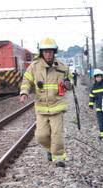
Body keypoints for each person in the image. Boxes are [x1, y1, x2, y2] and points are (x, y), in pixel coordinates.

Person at [20, 38, 72, 167]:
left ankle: (59, 157)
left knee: (57, 134)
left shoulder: (62, 67)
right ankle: (49, 149)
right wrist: (24, 92)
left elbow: (70, 82)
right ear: (41, 52)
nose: (48, 54)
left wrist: (68, 84)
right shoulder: (34, 67)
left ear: (54, 52)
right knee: (41, 136)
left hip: (57, 105)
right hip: (42, 107)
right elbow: (26, 81)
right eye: (45, 51)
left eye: (50, 51)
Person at [89, 69, 103, 141]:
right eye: (97, 77)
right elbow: (92, 96)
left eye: (99, 76)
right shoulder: (93, 87)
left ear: (102, 77)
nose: (98, 78)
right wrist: (91, 105)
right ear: (95, 78)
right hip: (99, 108)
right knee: (101, 122)